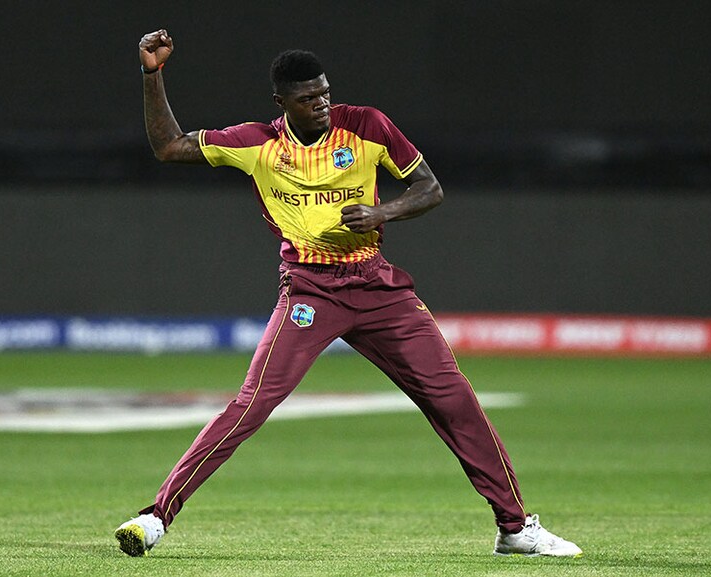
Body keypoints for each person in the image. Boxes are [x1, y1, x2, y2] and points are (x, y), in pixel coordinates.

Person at [115, 28, 582, 559]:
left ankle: (515, 528)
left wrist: (382, 213)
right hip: (312, 291)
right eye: (308, 98)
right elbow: (168, 147)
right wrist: (153, 75)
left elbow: (430, 187)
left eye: (325, 93)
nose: (321, 104)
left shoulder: (367, 125)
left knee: (454, 400)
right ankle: (155, 517)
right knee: (251, 405)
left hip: (378, 286)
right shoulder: (256, 143)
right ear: (281, 103)